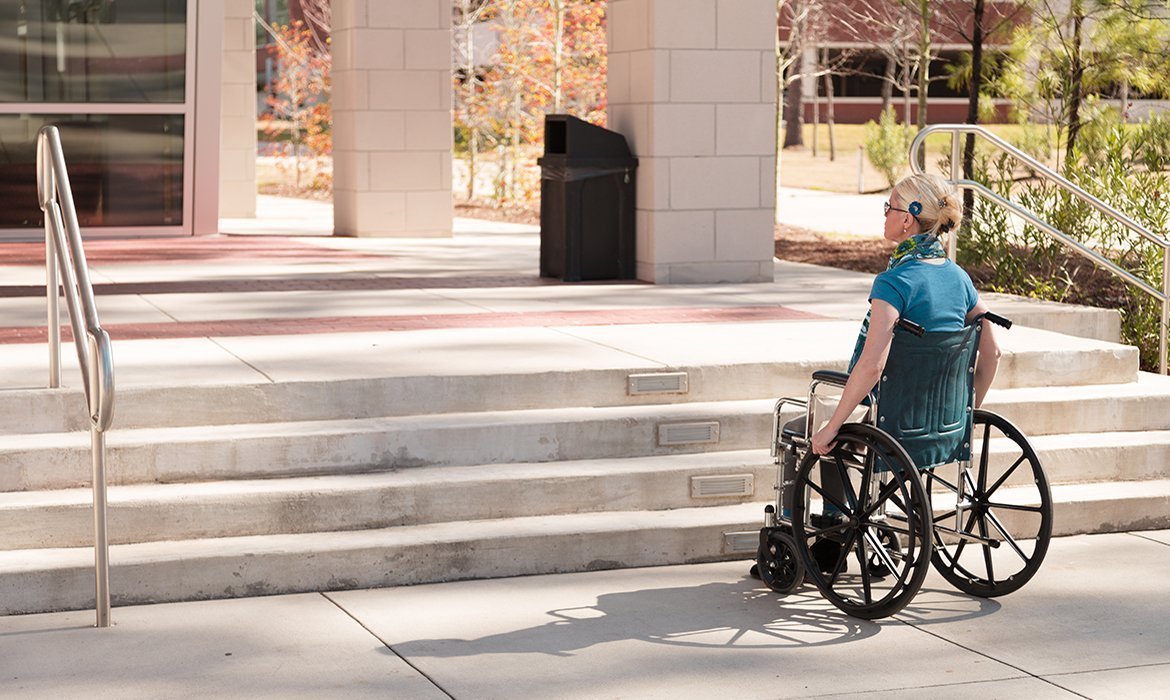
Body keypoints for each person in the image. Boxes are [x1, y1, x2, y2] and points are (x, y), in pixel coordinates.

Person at [810, 172, 1001, 458]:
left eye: (889, 208)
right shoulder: (960, 280)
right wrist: (967, 413)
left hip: (892, 422)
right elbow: (994, 352)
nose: (885, 215)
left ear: (907, 220)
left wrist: (832, 426)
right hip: (944, 422)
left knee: (812, 433)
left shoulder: (893, 283)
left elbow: (873, 366)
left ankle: (833, 505)